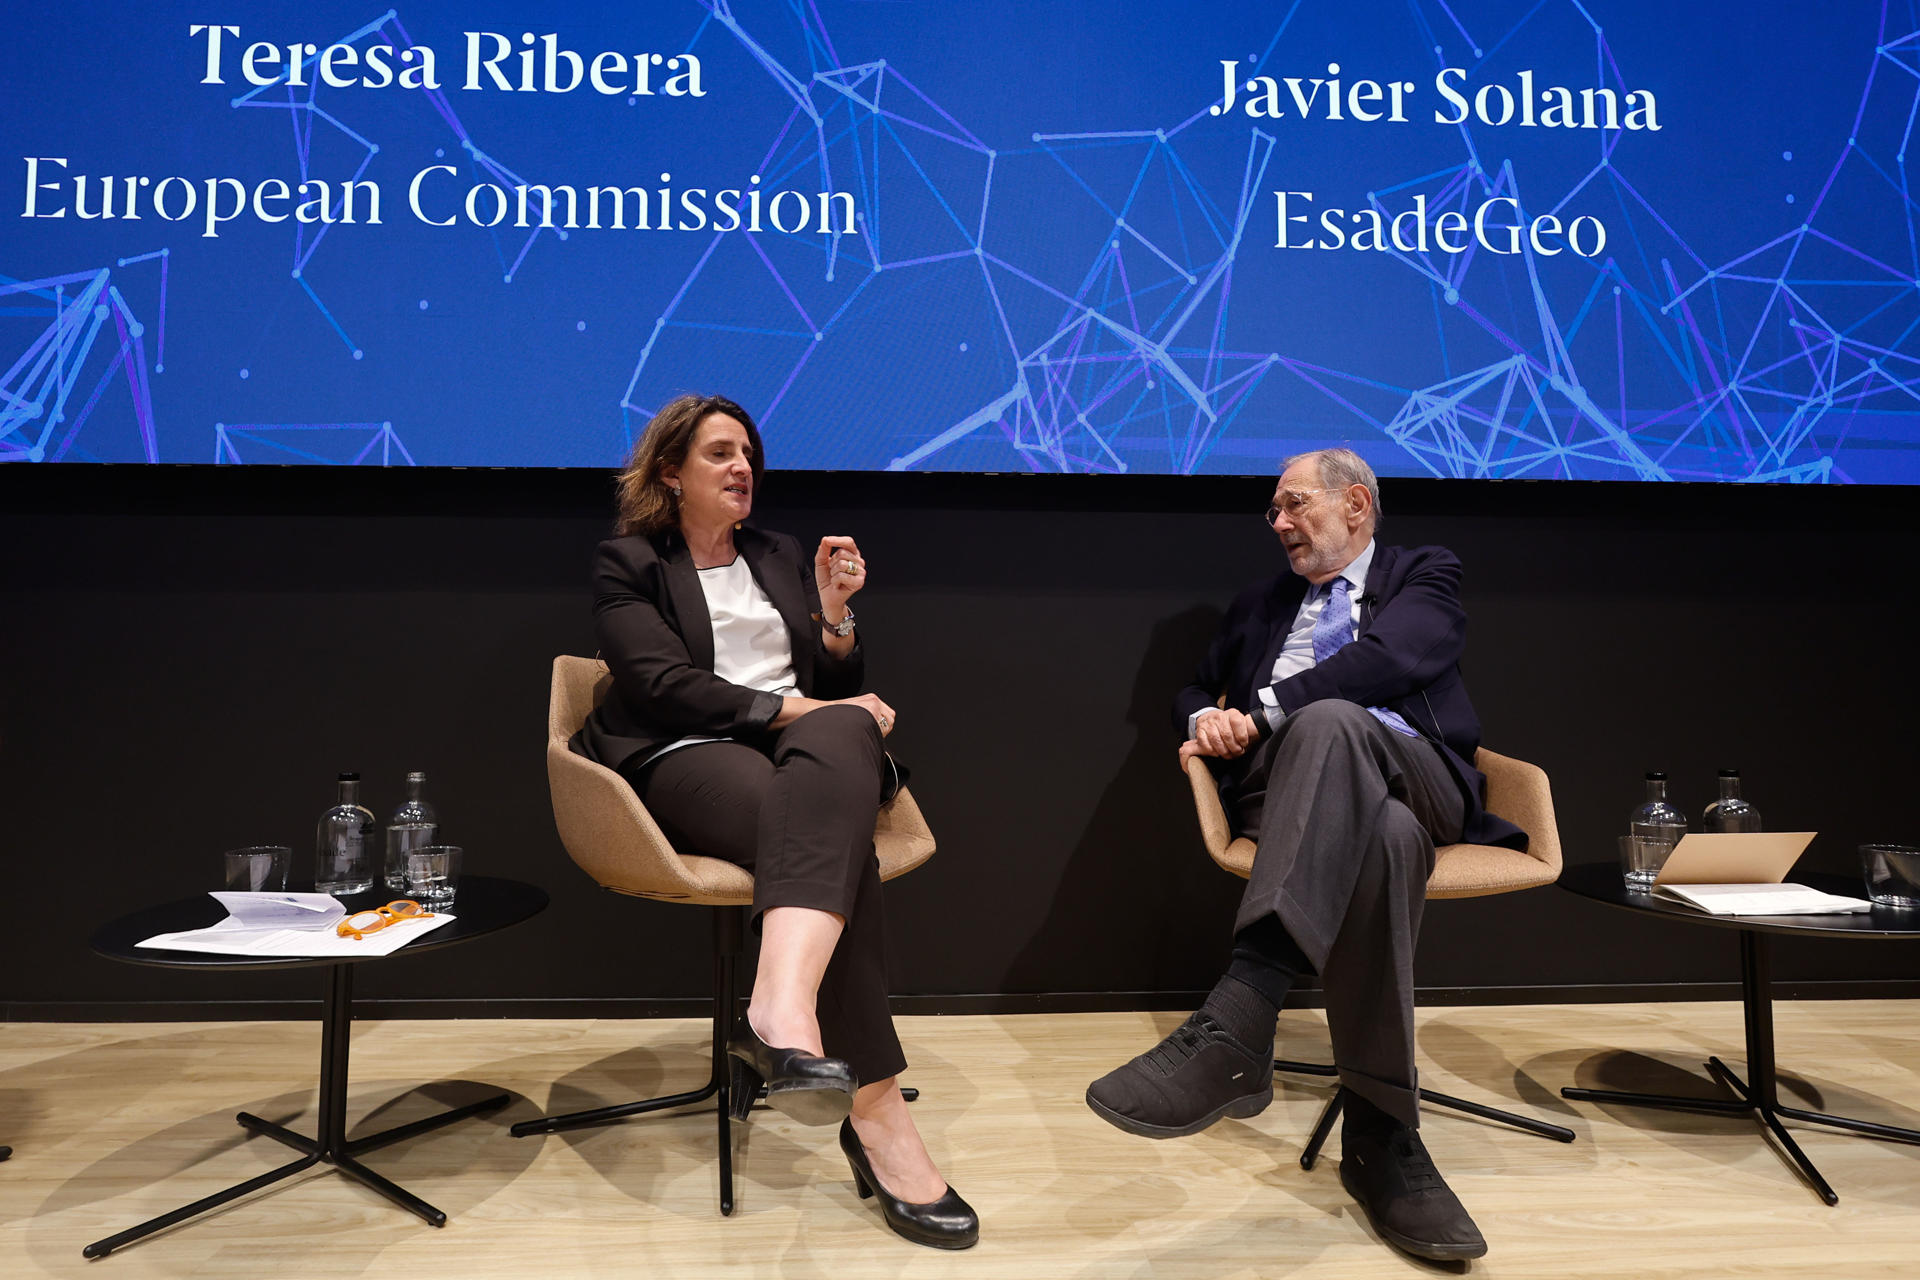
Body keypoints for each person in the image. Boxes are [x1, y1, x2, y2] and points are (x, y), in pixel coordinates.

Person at [1084, 447, 1525, 1262]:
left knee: (1331, 722)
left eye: (1294, 506)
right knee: (1384, 837)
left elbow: (1394, 660)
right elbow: (1192, 686)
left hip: (1418, 771)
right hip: (1289, 794)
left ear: (1356, 504)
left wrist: (1265, 708)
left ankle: (1242, 1016)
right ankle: (1382, 1137)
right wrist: (1201, 723)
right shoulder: (1261, 603)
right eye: (1274, 512)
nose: (1278, 524)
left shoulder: (1423, 573)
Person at [574, 394, 977, 1250]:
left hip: (796, 754)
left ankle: (780, 1011)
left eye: (748, 452)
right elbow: (658, 685)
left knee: (846, 727)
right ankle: (879, 1118)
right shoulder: (629, 561)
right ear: (671, 472)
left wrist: (833, 612)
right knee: (837, 831)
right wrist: (794, 709)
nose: (742, 467)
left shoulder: (778, 552)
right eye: (719, 453)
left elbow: (835, 678)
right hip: (682, 753)